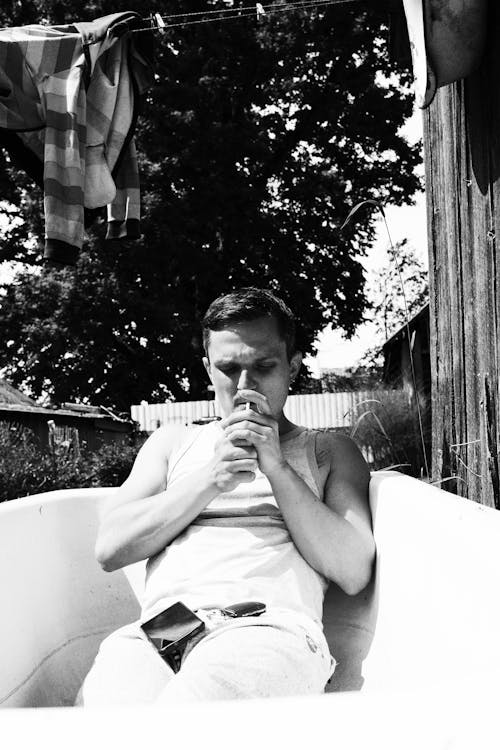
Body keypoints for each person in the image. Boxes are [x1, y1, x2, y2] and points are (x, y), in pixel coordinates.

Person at [80, 287, 375, 705]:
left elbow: (353, 570)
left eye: (263, 366)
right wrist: (210, 480)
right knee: (102, 714)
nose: (244, 385)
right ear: (208, 369)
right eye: (228, 368)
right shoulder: (173, 443)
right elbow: (110, 548)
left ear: (291, 366)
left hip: (267, 625)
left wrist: (276, 468)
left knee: (196, 714)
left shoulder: (327, 451)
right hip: (170, 626)